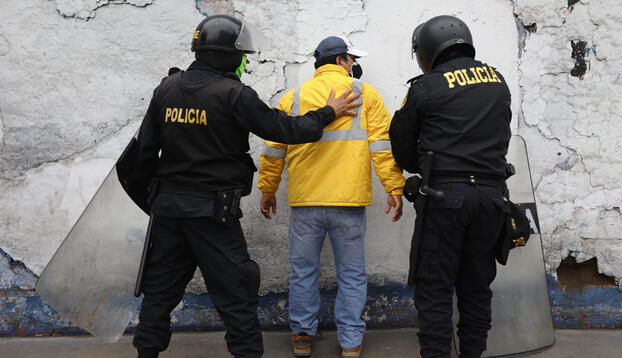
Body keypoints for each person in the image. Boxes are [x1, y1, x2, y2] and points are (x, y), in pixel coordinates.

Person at [118, 15, 361, 358]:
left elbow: (142, 154)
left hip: (169, 212)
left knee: (159, 293)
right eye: (242, 54)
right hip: (212, 214)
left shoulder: (166, 89)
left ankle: (146, 353)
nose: (245, 60)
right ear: (227, 54)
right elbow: (287, 130)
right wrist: (327, 112)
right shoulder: (234, 94)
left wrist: (156, 202)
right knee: (237, 294)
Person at [257, 36, 405, 357]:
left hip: (306, 203)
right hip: (348, 203)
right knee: (351, 275)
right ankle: (350, 342)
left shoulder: (294, 97)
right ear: (340, 61)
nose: (354, 65)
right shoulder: (366, 95)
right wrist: (394, 186)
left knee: (303, 272)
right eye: (351, 59)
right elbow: (382, 146)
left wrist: (268, 190)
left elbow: (272, 150)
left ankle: (301, 338)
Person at [389, 15, 512, 358]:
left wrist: (424, 165)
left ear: (427, 49)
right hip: (492, 199)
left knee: (435, 288)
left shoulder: (426, 86)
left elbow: (401, 146)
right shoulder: (498, 81)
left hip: (445, 200)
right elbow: (502, 133)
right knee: (476, 288)